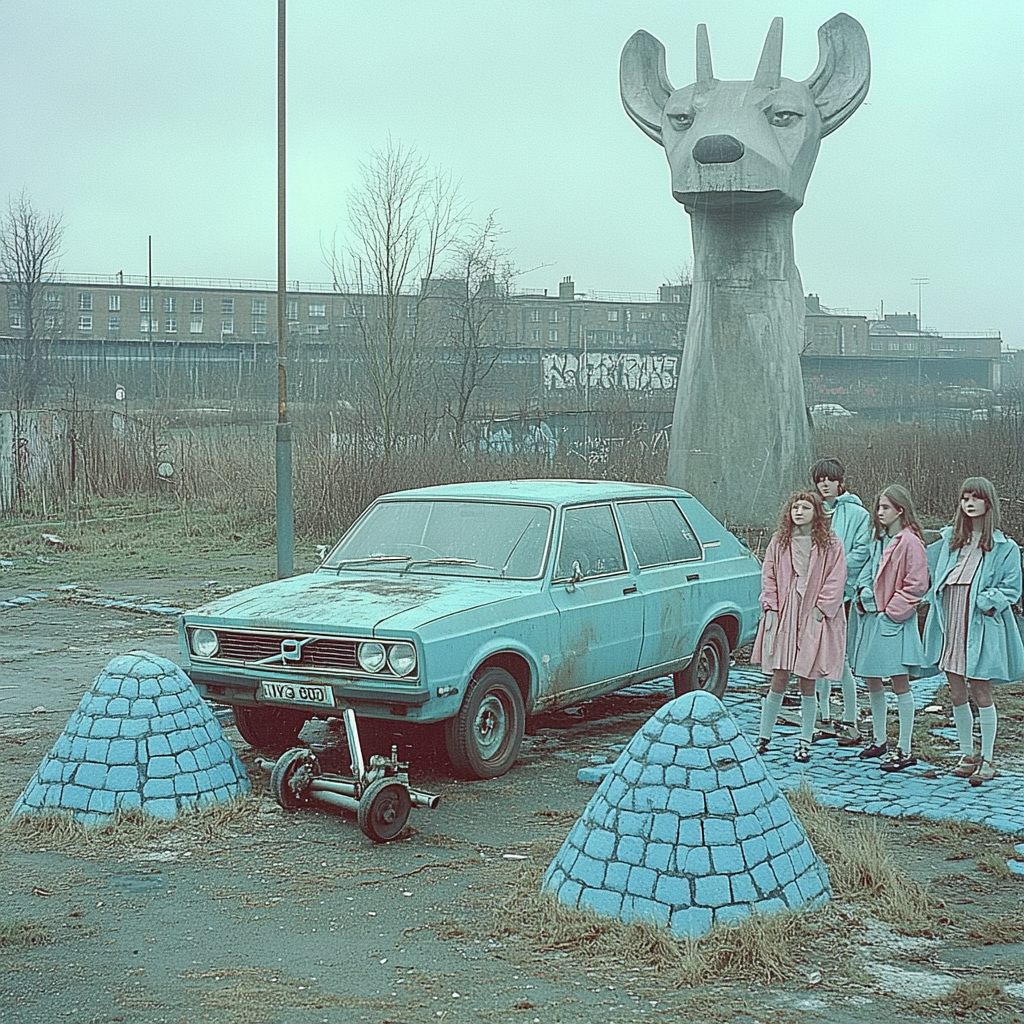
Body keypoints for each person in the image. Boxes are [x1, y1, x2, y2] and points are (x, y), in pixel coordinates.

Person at [922, 478, 1024, 785]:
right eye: (965, 497)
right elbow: (931, 573)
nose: (969, 503)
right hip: (951, 621)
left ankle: (988, 758)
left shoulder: (1003, 547)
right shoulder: (951, 542)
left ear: (988, 503)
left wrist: (988, 601)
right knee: (956, 690)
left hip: (980, 625)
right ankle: (966, 753)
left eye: (975, 498)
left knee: (981, 690)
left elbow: (1011, 588)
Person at [751, 491, 847, 763]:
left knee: (808, 677)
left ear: (816, 512)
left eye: (806, 507)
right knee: (779, 676)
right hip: (785, 612)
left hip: (811, 613)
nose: (799, 512)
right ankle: (764, 735)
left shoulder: (831, 545)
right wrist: (771, 605)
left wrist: (821, 608)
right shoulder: (779, 542)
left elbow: (836, 579)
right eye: (795, 507)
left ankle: (805, 740)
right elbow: (768, 574)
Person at [848, 484, 929, 771]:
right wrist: (863, 596)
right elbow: (867, 571)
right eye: (878, 507)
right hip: (872, 615)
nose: (879, 512)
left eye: (885, 507)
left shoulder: (910, 542)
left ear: (900, 510)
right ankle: (879, 738)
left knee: (899, 681)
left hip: (893, 621)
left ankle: (904, 747)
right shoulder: (878, 540)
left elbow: (916, 584)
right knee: (871, 677)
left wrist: (892, 612)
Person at [810, 457, 871, 745]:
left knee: (841, 657)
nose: (824, 485)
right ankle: (823, 716)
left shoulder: (857, 514)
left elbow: (861, 551)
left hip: (842, 593)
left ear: (839, 482)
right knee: (816, 655)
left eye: (829, 480)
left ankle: (850, 718)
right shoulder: (812, 512)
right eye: (820, 480)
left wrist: (836, 576)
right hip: (813, 593)